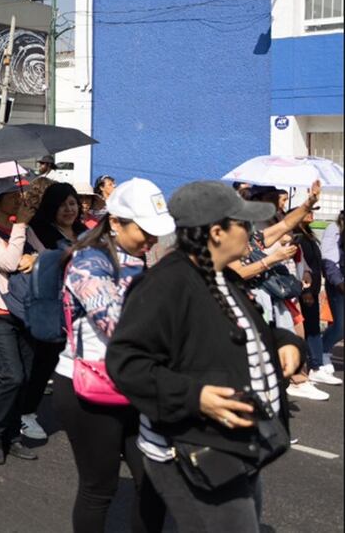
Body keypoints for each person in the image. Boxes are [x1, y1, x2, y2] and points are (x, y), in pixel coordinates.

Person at [106, 181, 304, 531]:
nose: (251, 232)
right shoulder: (166, 284)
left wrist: (286, 342)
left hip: (234, 444)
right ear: (216, 232)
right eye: (243, 224)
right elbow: (126, 363)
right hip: (193, 450)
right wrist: (194, 397)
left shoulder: (222, 276)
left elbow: (244, 330)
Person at [53, 178, 173, 533]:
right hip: (89, 388)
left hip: (134, 385)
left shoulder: (137, 258)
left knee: (155, 482)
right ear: (116, 222)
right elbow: (118, 328)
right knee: (99, 489)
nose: (151, 239)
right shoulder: (89, 261)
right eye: (145, 230)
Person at [228, 182, 326, 401]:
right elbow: (237, 273)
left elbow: (285, 225)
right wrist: (270, 260)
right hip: (243, 306)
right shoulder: (228, 243)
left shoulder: (252, 238)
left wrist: (309, 202)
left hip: (266, 302)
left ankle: (275, 402)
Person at [0, 176, 43, 464]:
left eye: (18, 194)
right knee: (12, 375)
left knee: (25, 377)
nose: (18, 200)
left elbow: (45, 253)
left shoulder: (20, 228)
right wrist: (21, 227)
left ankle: (12, 434)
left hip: (24, 310)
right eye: (12, 196)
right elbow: (10, 262)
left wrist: (34, 258)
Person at [20, 182, 88, 441]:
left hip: (82, 308)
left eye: (73, 203)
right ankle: (26, 413)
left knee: (82, 365)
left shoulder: (84, 232)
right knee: (43, 363)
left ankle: (87, 414)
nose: (69, 209)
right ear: (51, 207)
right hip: (53, 308)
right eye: (63, 204)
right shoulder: (39, 231)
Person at [295, 209, 342, 387]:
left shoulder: (308, 236)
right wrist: (306, 291)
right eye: (307, 211)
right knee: (310, 329)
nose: (311, 214)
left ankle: (315, 365)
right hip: (305, 290)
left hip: (312, 288)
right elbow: (301, 265)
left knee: (312, 328)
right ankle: (314, 366)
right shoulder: (298, 236)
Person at [319, 210, 344, 375]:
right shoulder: (333, 228)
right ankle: (321, 352)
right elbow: (328, 258)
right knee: (341, 326)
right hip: (339, 283)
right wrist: (339, 282)